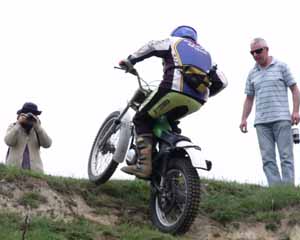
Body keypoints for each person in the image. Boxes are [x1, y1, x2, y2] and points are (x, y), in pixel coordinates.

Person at [119, 25, 228, 178]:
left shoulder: (174, 41)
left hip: (172, 90)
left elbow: (151, 46)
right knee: (167, 121)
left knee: (141, 118)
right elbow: (222, 82)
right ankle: (167, 156)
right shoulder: (206, 54)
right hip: (197, 101)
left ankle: (144, 165)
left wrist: (130, 60)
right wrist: (205, 93)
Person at [239, 38, 300, 186]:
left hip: (282, 119)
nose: (255, 55)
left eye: (258, 51)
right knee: (267, 159)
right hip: (261, 123)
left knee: (286, 157)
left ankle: (287, 192)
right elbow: (249, 98)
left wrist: (296, 111)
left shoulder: (281, 67)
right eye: (252, 52)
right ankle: (276, 192)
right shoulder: (252, 74)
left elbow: (295, 90)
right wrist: (243, 118)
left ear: (267, 49)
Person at [4, 102, 52, 173]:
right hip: (13, 170)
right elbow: (8, 141)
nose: (29, 118)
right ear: (21, 114)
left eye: (33, 115)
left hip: (35, 172)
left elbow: (47, 144)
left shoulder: (38, 130)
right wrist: (18, 124)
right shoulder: (14, 126)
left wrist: (38, 127)